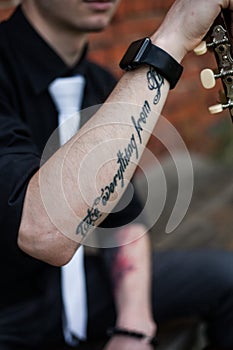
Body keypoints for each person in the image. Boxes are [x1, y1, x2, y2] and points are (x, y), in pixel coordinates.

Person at [0, 0, 233, 349]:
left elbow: (122, 219)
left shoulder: (100, 82)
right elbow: (44, 231)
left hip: (75, 294)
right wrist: (172, 38)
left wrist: (133, 324)